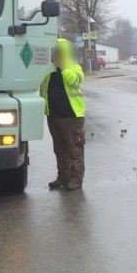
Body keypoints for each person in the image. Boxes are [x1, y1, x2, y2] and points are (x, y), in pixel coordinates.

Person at [41, 38, 86, 191]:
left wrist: (62, 66)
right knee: (59, 149)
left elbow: (74, 80)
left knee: (74, 149)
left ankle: (76, 179)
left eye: (58, 52)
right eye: (54, 52)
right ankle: (63, 176)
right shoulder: (47, 70)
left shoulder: (73, 67)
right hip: (53, 115)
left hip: (71, 116)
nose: (55, 55)